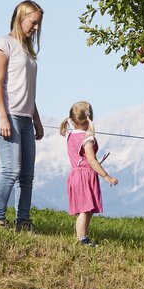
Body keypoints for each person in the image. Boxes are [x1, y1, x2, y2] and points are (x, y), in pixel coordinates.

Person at [0, 0, 45, 230]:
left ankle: (23, 220)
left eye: (39, 24)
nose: (36, 28)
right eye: (33, 23)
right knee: (11, 170)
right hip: (7, 115)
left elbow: (26, 88)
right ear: (21, 18)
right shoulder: (4, 44)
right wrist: (3, 116)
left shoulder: (29, 50)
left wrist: (36, 119)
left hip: (25, 117)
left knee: (27, 175)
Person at [61, 101, 118, 246]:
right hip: (85, 176)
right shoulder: (87, 138)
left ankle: (83, 236)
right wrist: (106, 176)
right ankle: (82, 238)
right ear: (89, 118)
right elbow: (92, 160)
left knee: (86, 209)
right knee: (85, 209)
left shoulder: (70, 135)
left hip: (75, 174)